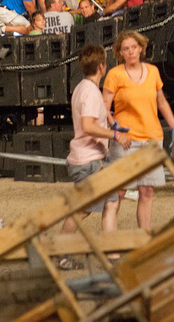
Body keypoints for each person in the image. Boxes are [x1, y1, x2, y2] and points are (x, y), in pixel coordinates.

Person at [58, 45, 131, 270]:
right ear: (102, 66)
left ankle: (112, 255)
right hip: (88, 161)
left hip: (88, 159)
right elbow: (88, 125)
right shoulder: (90, 91)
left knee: (109, 203)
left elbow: (92, 115)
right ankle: (61, 254)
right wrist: (115, 135)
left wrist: (110, 120)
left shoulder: (83, 88)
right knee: (83, 209)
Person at [103, 30, 174, 231]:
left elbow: (161, 101)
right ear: (120, 53)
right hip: (126, 140)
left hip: (152, 139)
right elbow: (103, 105)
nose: (130, 52)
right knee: (118, 191)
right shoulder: (115, 74)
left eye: (133, 47)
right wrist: (114, 126)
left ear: (141, 48)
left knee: (146, 191)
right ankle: (108, 237)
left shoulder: (152, 71)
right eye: (125, 49)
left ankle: (144, 239)